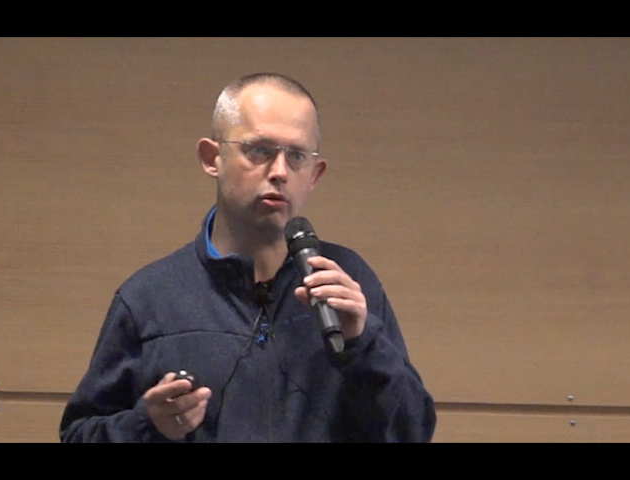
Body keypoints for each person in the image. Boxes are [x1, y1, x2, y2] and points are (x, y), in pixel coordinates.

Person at [59, 72, 436, 442]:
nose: (279, 172)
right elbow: (79, 434)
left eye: (297, 156)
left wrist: (362, 344)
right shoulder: (149, 297)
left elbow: (413, 430)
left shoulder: (349, 282)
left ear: (315, 174)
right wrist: (148, 427)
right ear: (212, 158)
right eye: (259, 150)